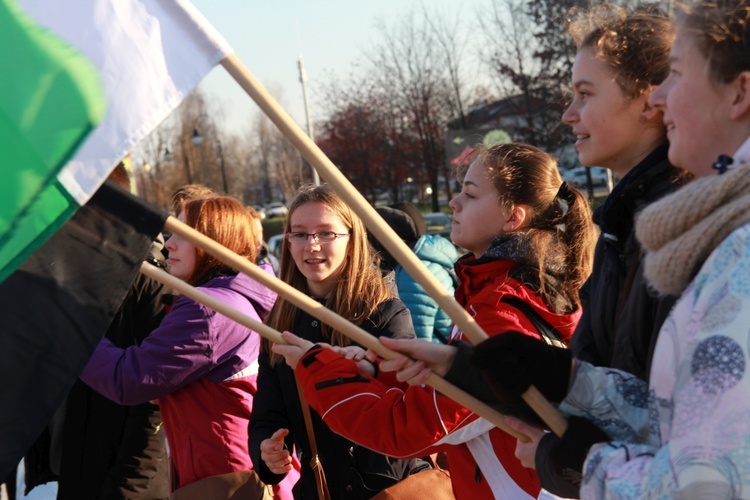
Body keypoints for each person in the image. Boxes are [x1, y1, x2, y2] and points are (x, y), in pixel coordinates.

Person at [471, 0, 750, 496]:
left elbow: (711, 481)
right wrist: (562, 383)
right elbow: (673, 417)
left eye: (677, 74)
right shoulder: (675, 231)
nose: (663, 96)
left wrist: (585, 462)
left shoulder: (725, 245)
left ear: (740, 93)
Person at [272, 144, 597, 498]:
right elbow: (451, 394)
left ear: (512, 218)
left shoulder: (500, 313)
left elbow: (409, 428)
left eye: (470, 195)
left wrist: (317, 368)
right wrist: (373, 369)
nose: (454, 203)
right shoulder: (496, 295)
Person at [79, 196, 298, 496]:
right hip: (237, 469)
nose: (169, 244)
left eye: (183, 235)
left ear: (215, 241)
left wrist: (72, 331)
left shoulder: (210, 309)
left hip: (224, 479)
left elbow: (129, 378)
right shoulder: (234, 298)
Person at [248, 184, 429, 498]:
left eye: (326, 233)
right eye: (300, 234)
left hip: (390, 488)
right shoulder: (280, 322)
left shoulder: (384, 313)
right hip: (322, 488)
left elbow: (406, 403)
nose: (312, 245)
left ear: (352, 238)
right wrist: (267, 449)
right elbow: (267, 413)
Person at [369, 205, 458, 342]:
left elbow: (415, 337)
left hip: (433, 355)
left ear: (380, 241)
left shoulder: (413, 275)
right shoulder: (420, 264)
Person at [247, 205, 280, 276]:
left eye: (260, 232)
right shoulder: (233, 268)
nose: (259, 241)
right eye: (253, 235)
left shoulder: (270, 261)